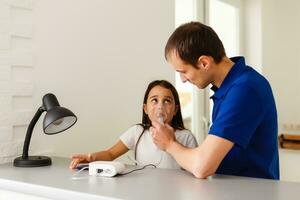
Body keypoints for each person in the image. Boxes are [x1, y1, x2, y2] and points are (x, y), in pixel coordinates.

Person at [150, 22, 279, 180]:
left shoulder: (245, 89)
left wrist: (169, 144)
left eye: (183, 72)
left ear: (204, 63)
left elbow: (202, 167)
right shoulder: (230, 88)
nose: (182, 80)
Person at [69, 80, 198, 170]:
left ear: (175, 110)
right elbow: (110, 154)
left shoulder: (186, 137)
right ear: (145, 108)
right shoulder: (137, 132)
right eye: (154, 100)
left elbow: (195, 168)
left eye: (167, 101)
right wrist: (91, 158)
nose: (160, 106)